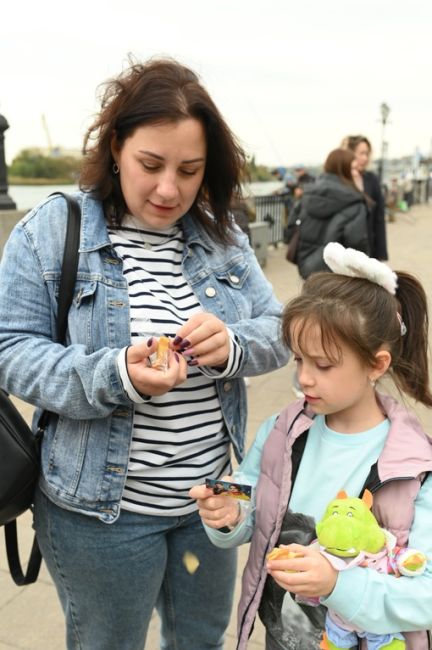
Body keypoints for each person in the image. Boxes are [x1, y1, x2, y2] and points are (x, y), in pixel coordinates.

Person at [0, 57, 290, 650]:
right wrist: (114, 374)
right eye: (151, 165)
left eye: (190, 170)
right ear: (114, 147)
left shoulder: (220, 235)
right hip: (100, 516)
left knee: (202, 640)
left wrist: (232, 346)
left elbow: (282, 330)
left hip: (211, 504)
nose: (169, 189)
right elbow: (11, 350)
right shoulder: (53, 228)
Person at [190, 242, 432, 650]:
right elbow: (251, 496)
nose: (304, 378)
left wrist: (337, 583)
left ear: (377, 364)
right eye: (299, 360)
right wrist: (228, 511)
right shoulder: (282, 431)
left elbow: (424, 594)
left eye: (323, 365)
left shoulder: (414, 468)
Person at [287, 148, 370, 281]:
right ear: (343, 170)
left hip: (307, 272)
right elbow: (357, 245)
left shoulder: (308, 194)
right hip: (339, 279)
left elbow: (290, 231)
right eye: (353, 168)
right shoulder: (355, 203)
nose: (357, 173)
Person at [342, 135, 388, 260]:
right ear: (350, 153)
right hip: (343, 250)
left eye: (367, 154)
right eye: (361, 153)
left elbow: (379, 219)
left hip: (368, 249)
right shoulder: (339, 179)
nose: (365, 158)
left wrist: (381, 254)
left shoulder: (372, 179)